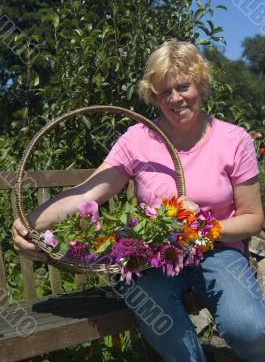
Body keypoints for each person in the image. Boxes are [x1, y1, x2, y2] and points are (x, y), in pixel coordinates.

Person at [12, 41, 265, 361]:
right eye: (163, 91)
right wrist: (28, 222)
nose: (175, 98)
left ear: (200, 84)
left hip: (217, 251)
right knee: (154, 311)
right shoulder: (138, 139)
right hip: (153, 260)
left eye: (183, 86)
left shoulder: (233, 139)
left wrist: (202, 227)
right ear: (153, 96)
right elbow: (88, 192)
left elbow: (253, 218)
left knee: (250, 329)